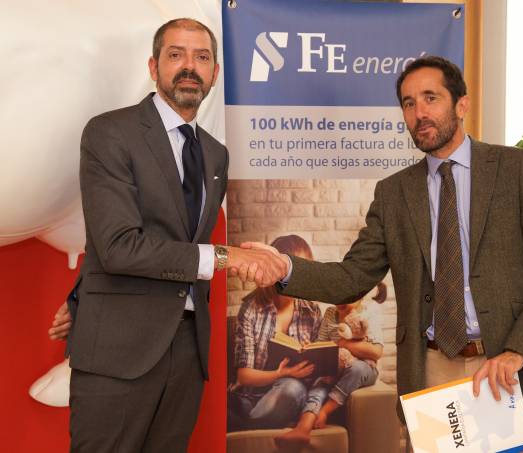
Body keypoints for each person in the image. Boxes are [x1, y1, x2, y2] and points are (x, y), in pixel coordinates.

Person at [244, 56, 523, 452]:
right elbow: (352, 277)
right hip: (431, 371)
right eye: (408, 103)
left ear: (462, 105)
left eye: (431, 98)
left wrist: (517, 351)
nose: (419, 113)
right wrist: (285, 268)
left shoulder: (514, 168)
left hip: (507, 370)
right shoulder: (394, 193)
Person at [66, 18, 286, 452]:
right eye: (175, 55)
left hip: (187, 351)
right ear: (154, 67)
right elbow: (116, 246)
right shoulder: (110, 132)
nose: (189, 66)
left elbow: (175, 236)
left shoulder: (215, 154)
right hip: (118, 350)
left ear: (214, 74)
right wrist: (225, 256)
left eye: (201, 57)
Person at [230, 235, 325, 432]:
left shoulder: (312, 310)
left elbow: (322, 367)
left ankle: (247, 428)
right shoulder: (251, 309)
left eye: (303, 271)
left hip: (290, 395)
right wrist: (281, 373)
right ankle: (256, 424)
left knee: (291, 387)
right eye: (291, 271)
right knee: (228, 402)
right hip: (250, 399)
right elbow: (244, 376)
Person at [274, 283, 385, 447]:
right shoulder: (330, 314)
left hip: (364, 367)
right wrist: (311, 349)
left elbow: (376, 352)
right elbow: (322, 344)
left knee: (356, 369)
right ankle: (303, 428)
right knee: (322, 381)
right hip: (337, 366)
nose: (340, 301)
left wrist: (343, 344)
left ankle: (324, 411)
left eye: (346, 297)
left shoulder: (370, 312)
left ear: (361, 293)